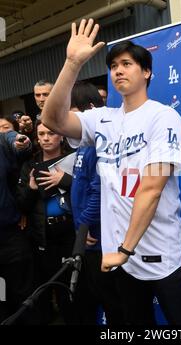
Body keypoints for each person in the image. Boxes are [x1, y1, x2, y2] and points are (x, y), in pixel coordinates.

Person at [42, 18, 181, 325]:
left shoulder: (163, 117)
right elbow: (52, 120)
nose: (118, 70)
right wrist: (72, 64)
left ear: (147, 72)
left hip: (160, 254)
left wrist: (125, 248)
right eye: (113, 65)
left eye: (127, 64)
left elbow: (151, 188)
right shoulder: (103, 118)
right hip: (121, 261)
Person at [70, 81, 123, 324]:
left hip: (98, 237)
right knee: (99, 296)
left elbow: (99, 190)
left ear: (89, 109)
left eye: (72, 112)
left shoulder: (97, 146)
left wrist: (86, 225)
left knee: (114, 302)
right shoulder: (83, 145)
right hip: (88, 236)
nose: (68, 119)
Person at [16, 120, 75, 324]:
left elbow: (89, 192)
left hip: (71, 233)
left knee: (73, 289)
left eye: (50, 133)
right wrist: (32, 188)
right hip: (44, 237)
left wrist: (65, 180)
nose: (46, 138)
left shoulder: (74, 159)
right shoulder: (30, 165)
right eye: (41, 135)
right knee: (48, 286)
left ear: (61, 135)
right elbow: (22, 205)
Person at [0, 130, 33, 323]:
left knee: (22, 294)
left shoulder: (3, 143)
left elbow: (15, 141)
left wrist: (22, 142)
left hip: (11, 236)